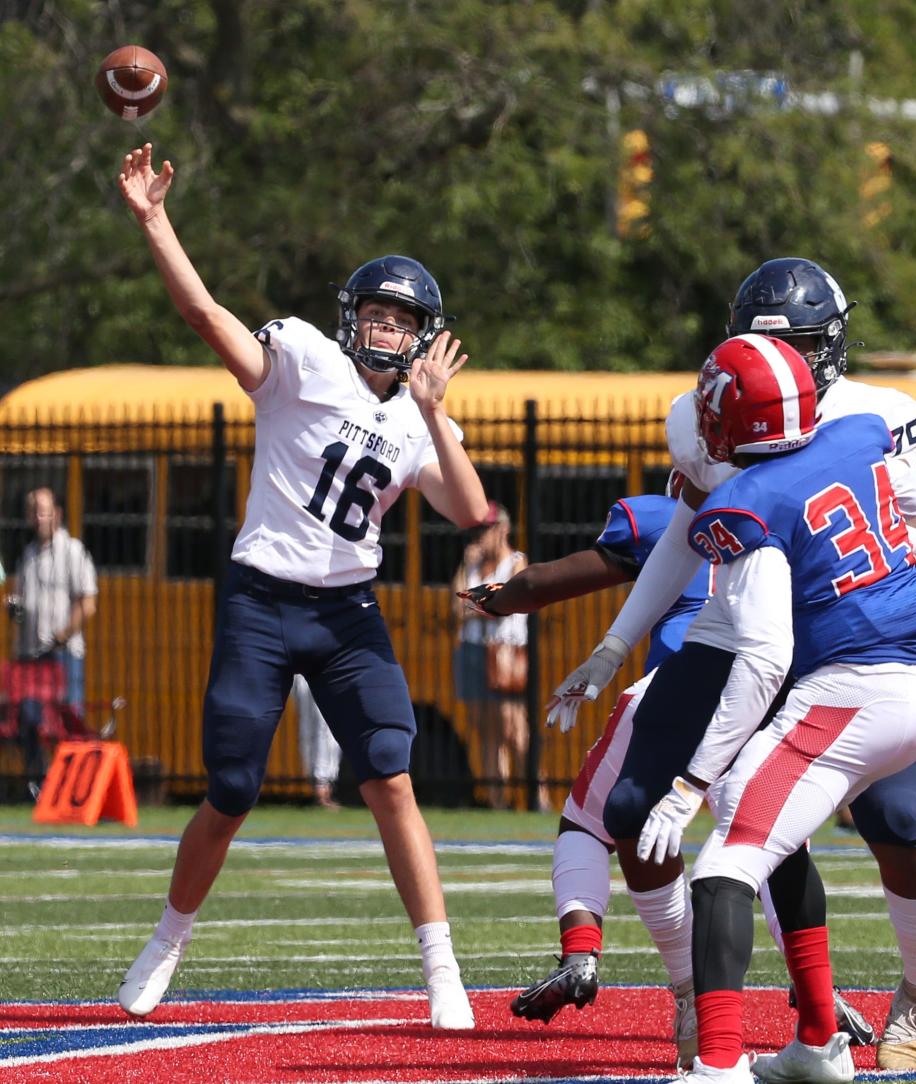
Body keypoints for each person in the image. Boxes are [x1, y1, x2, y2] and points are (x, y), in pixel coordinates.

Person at [113, 143, 487, 1030]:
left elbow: (473, 512)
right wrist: (155, 220)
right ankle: (167, 940)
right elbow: (207, 316)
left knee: (390, 775)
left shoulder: (420, 417)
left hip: (348, 613)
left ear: (425, 336)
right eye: (375, 312)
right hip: (261, 599)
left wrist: (433, 412)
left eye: (403, 319)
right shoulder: (303, 359)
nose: (385, 328)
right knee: (234, 786)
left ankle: (443, 971)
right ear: (351, 316)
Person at [547, 258, 916, 1072]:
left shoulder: (877, 416)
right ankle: (719, 1006)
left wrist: (802, 547)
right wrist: (616, 645)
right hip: (743, 632)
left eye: (802, 345)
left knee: (896, 827)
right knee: (634, 805)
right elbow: (684, 534)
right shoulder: (714, 413)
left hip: (836, 649)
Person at [634, 333, 916, 1084]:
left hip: (848, 695)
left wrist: (688, 783)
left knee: (721, 869)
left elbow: (764, 661)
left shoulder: (746, 504)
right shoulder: (860, 433)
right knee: (754, 813)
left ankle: (716, 1065)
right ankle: (816, 1044)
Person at [460, 475, 710, 1066]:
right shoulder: (785, 502)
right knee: (766, 847)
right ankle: (823, 1001)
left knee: (588, 821)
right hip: (772, 687)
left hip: (684, 686)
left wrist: (495, 597)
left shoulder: (662, 515)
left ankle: (599, 959)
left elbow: (547, 581)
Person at [7, 487, 98, 785]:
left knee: (67, 720)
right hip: (31, 655)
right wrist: (14, 610)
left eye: (42, 511)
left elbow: (88, 602)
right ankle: (38, 787)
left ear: (56, 513)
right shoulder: (28, 555)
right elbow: (20, 600)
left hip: (64, 653)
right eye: (33, 511)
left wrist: (62, 634)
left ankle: (71, 787)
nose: (37, 518)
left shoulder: (72, 551)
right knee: (31, 721)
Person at [452, 501, 530, 808]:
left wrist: (473, 605)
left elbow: (502, 604)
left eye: (487, 529)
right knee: (483, 727)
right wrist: (465, 569)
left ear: (503, 529)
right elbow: (455, 610)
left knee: (512, 726)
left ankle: (536, 794)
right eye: (478, 530)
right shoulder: (471, 564)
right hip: (472, 648)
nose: (480, 536)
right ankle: (497, 799)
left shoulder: (516, 562)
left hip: (505, 651)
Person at [292, 674, 342, 809]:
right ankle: (321, 786)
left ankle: (320, 785)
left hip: (315, 669)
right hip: (308, 670)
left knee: (321, 728)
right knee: (321, 729)